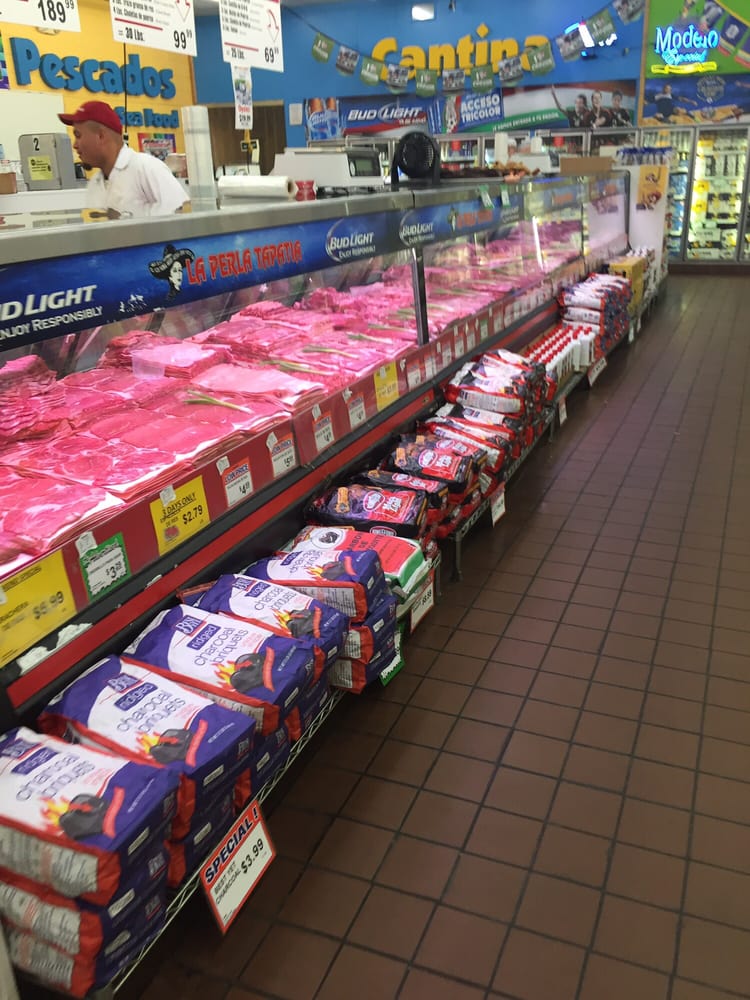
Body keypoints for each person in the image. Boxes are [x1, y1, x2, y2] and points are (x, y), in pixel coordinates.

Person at [58, 100, 190, 219]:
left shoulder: (146, 168)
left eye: (78, 135)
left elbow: (181, 219)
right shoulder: (95, 183)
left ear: (101, 136)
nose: (75, 145)